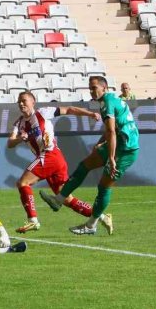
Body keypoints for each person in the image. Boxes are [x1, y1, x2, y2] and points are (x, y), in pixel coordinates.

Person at [40, 76, 140, 236]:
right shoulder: (109, 100)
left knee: (104, 186)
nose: (91, 91)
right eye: (90, 88)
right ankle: (59, 200)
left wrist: (112, 158)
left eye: (94, 87)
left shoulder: (107, 103)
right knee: (84, 165)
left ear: (104, 88)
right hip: (118, 143)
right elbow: (110, 130)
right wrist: (101, 143)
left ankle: (91, 225)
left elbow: (112, 131)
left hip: (126, 149)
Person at [9, 91, 101, 234]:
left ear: (33, 102)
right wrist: (21, 138)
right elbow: (10, 143)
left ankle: (33, 221)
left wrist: (90, 114)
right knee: (65, 198)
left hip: (50, 155)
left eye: (24, 100)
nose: (21, 104)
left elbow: (69, 109)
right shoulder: (19, 123)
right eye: (19, 101)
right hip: (53, 159)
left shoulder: (43, 113)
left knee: (23, 183)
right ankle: (100, 216)